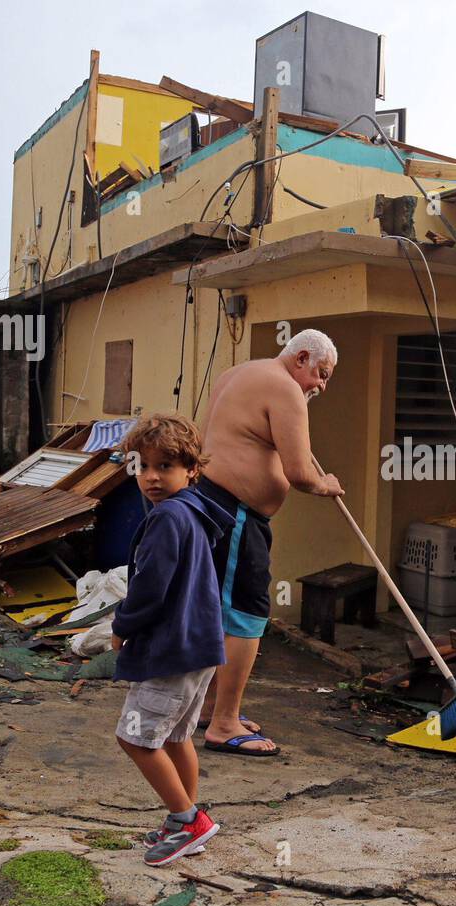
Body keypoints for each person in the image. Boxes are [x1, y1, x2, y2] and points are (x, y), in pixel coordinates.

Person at [195, 328, 344, 756]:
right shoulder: (285, 389)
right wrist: (325, 483)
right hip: (235, 512)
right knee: (246, 614)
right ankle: (223, 724)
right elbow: (300, 474)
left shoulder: (241, 373)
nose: (321, 385)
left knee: (221, 613)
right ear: (300, 358)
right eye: (321, 374)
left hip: (216, 503)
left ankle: (210, 707)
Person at [112, 413, 233, 867]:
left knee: (138, 739)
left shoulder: (166, 518)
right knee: (178, 736)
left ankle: (187, 820)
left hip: (170, 650)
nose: (151, 477)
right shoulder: (196, 512)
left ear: (192, 470)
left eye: (165, 466)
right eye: (143, 466)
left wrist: (121, 626)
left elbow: (150, 589)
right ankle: (186, 819)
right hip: (200, 647)